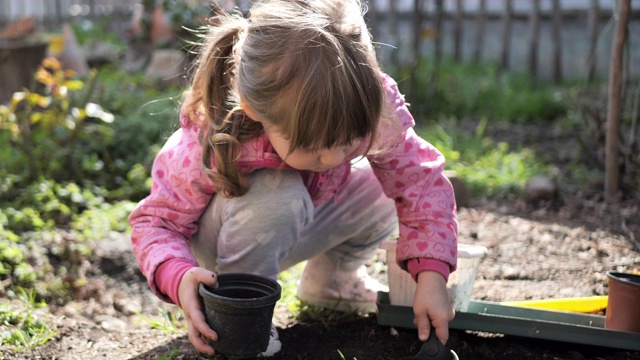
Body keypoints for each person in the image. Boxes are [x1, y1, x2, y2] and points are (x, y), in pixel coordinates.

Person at [128, 0, 458, 357]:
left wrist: (432, 276)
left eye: (347, 141)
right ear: (257, 112)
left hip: (290, 222)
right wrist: (179, 277)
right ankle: (240, 312)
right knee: (278, 193)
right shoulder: (213, 136)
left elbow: (419, 182)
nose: (333, 158)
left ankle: (333, 281)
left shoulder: (367, 104)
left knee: (384, 180)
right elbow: (156, 224)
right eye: (315, 145)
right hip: (217, 252)